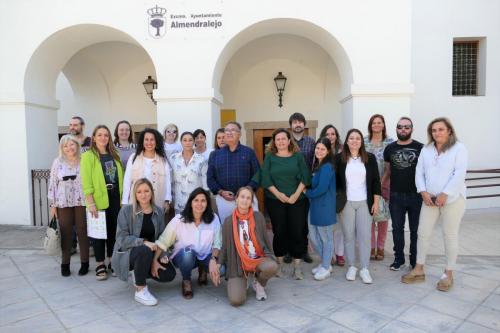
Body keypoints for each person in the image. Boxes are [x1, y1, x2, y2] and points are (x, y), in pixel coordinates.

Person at [402, 118, 467, 292]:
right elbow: (419, 172)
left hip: (452, 200)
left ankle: (448, 273)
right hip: (429, 200)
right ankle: (419, 269)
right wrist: (423, 192)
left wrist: (446, 194)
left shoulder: (459, 148)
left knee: (450, 235)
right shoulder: (427, 149)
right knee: (423, 233)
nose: (437, 133)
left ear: (449, 131)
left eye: (441, 129)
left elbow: (459, 173)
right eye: (434, 130)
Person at [256, 128, 311, 280]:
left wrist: (295, 195)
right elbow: (265, 177)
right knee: (279, 232)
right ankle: (279, 265)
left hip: (297, 200)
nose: (280, 141)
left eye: (283, 138)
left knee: (297, 231)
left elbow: (305, 176)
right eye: (277, 139)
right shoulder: (270, 157)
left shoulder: (297, 156)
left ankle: (297, 267)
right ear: (274, 142)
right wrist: (278, 194)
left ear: (289, 140)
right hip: (275, 200)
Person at [112, 178, 176, 306]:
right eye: (139, 192)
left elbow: (162, 238)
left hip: (149, 253)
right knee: (144, 249)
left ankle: (139, 272)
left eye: (146, 191)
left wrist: (162, 256)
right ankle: (140, 290)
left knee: (169, 274)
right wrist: (144, 242)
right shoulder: (126, 211)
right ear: (135, 194)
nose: (143, 195)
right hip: (127, 254)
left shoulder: (158, 212)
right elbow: (121, 239)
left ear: (151, 193)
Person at [213, 186, 278, 306]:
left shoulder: (258, 217)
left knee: (271, 267)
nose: (245, 200)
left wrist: (270, 255)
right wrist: (218, 264)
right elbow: (225, 247)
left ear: (251, 202)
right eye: (242, 197)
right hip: (239, 263)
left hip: (257, 258)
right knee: (236, 301)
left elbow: (265, 240)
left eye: (248, 198)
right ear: (236, 199)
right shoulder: (228, 222)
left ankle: (259, 282)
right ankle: (244, 278)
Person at [154, 188, 221, 299]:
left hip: (206, 256)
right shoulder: (179, 219)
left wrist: (214, 260)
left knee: (221, 269)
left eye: (203, 200)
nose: (199, 204)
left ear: (207, 203)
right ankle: (186, 280)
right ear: (190, 203)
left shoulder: (214, 219)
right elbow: (163, 241)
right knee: (187, 253)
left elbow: (217, 244)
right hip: (184, 257)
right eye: (196, 200)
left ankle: (203, 269)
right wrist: (154, 260)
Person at [336, 129, 381, 284]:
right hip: (346, 203)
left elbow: (376, 181)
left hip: (364, 202)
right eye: (351, 138)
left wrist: (375, 202)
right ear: (347, 141)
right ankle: (351, 267)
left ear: (361, 141)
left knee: (364, 237)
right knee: (348, 236)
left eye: (357, 138)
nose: (354, 141)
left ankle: (364, 268)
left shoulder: (370, 158)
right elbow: (335, 183)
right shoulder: (339, 159)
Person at [80, 125, 124, 280]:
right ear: (93, 137)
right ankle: (100, 263)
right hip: (98, 200)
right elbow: (86, 182)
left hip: (115, 198)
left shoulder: (114, 154)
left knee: (113, 231)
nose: (103, 138)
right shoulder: (88, 156)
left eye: (106, 135)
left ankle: (112, 261)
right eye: (99, 135)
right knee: (98, 233)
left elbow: (121, 177)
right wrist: (90, 202)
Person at [382, 117, 423, 271]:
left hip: (416, 196)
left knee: (415, 230)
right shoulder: (389, 148)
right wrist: (380, 188)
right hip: (396, 196)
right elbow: (387, 171)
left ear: (412, 129)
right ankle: (398, 259)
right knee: (397, 229)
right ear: (396, 129)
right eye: (400, 127)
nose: (403, 129)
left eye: (406, 127)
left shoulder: (421, 148)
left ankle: (414, 260)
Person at [48, 135, 89, 276]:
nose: (69, 148)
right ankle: (65, 264)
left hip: (82, 201)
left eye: (72, 144)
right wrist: (53, 206)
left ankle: (85, 263)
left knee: (82, 231)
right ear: (62, 148)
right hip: (63, 202)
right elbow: (53, 184)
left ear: (77, 145)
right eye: (65, 146)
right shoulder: (57, 162)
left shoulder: (84, 160)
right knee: (66, 233)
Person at [207, 121, 260, 222]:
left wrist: (247, 190)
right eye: (227, 130)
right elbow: (210, 179)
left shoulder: (249, 152)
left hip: (246, 198)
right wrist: (221, 192)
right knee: (228, 229)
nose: (229, 132)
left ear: (239, 134)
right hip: (224, 201)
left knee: (251, 228)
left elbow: (257, 175)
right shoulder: (215, 155)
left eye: (233, 130)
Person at [305, 138, 337, 281]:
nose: (319, 151)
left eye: (323, 149)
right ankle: (326, 263)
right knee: (313, 236)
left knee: (326, 238)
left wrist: (306, 193)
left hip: (324, 206)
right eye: (317, 148)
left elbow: (322, 188)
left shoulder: (327, 167)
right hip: (315, 206)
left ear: (328, 151)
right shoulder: (318, 165)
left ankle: (325, 267)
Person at [122, 128, 172, 217]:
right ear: (142, 141)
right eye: (146, 139)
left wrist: (167, 200)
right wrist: (125, 201)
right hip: (136, 202)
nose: (149, 142)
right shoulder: (134, 158)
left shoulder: (163, 160)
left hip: (157, 201)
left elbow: (168, 181)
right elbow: (127, 180)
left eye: (152, 140)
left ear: (156, 142)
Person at [364, 114, 394, 261]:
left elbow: (391, 165)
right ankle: (371, 247)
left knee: (383, 216)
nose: (376, 125)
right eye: (374, 123)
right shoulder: (364, 141)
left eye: (379, 122)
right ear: (370, 125)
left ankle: (381, 247)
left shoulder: (389, 142)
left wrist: (381, 183)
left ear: (383, 125)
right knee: (370, 215)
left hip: (385, 183)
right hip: (367, 185)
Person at [289, 113, 315, 264]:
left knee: (304, 221)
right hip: (289, 187)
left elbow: (315, 162)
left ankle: (303, 250)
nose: (297, 125)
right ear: (291, 125)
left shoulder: (311, 142)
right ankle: (289, 251)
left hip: (306, 188)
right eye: (295, 122)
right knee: (290, 220)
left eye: (300, 122)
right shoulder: (285, 141)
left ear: (304, 125)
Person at [319, 124, 345, 267]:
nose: (330, 136)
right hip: (325, 193)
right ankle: (330, 254)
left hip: (339, 192)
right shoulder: (320, 150)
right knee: (327, 226)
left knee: (339, 226)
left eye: (333, 134)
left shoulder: (343, 151)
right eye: (327, 134)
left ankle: (340, 253)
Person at [170, 131, 208, 214]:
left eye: (190, 140)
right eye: (185, 140)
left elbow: (205, 183)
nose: (187, 143)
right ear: (181, 142)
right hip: (179, 203)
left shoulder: (201, 159)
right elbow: (170, 180)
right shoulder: (173, 158)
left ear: (194, 142)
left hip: (197, 204)